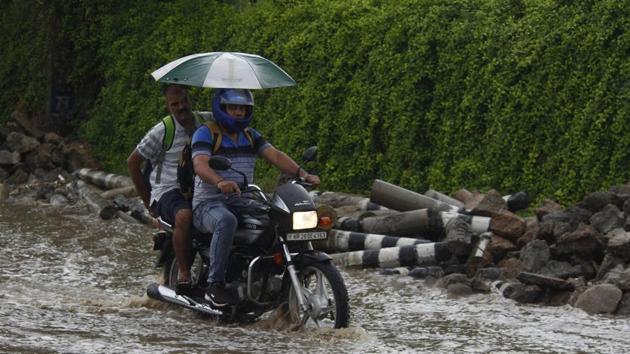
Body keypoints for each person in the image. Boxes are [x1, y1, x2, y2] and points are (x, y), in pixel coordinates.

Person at [191, 88, 320, 307]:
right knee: (226, 220)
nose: (239, 113)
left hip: (243, 200)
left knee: (276, 220)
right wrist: (220, 182)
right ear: (222, 108)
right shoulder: (206, 133)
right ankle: (215, 286)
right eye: (233, 108)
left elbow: (275, 155)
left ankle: (268, 274)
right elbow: (200, 164)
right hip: (208, 203)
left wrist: (302, 174)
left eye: (242, 108)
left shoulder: (250, 135)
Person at [127, 84, 202, 294]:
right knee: (184, 215)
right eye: (175, 104)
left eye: (184, 101)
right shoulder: (162, 131)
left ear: (190, 100)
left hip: (200, 189)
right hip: (168, 191)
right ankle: (184, 274)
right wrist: (148, 202)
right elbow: (133, 163)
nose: (181, 107)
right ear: (168, 106)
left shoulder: (204, 122)